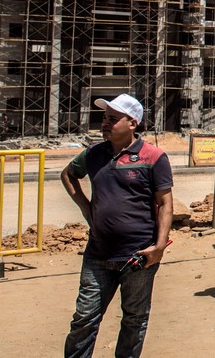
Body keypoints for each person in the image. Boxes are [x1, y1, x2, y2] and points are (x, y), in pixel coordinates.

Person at [61, 94, 173, 358]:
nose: (105, 123)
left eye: (113, 118)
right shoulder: (93, 154)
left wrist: (158, 247)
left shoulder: (153, 157)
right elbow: (68, 174)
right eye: (104, 118)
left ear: (132, 123)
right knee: (84, 319)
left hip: (138, 257)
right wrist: (86, 208)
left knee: (134, 319)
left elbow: (165, 204)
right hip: (98, 254)